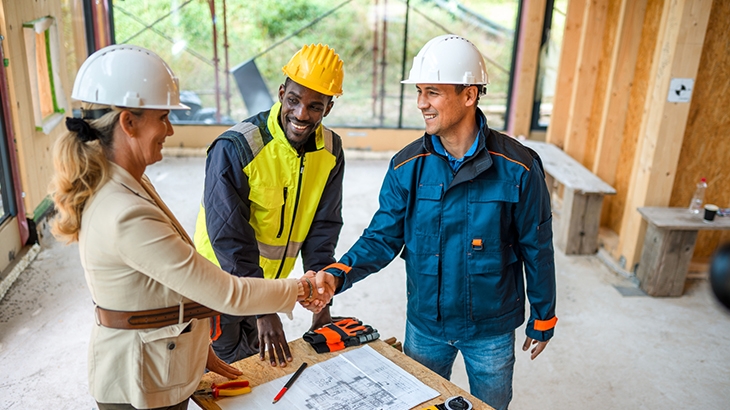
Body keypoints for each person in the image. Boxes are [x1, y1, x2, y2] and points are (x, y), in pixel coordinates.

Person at [49, 44, 331, 410]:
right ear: (128, 123)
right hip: (140, 380)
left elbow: (157, 292)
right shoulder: (124, 211)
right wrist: (304, 289)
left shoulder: (128, 184)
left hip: (160, 364)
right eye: (163, 117)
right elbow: (230, 294)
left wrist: (195, 349)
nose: (169, 129)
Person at [311, 34, 558, 410]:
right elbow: (382, 237)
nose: (421, 103)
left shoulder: (519, 167)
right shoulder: (407, 167)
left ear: (469, 95)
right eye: (420, 92)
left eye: (432, 92)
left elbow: (536, 246)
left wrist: (543, 314)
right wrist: (339, 272)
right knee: (420, 404)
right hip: (426, 324)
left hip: (490, 328)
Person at [193, 43, 345, 367]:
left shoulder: (331, 151)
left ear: (328, 108)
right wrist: (263, 307)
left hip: (268, 287)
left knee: (260, 375)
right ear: (281, 93)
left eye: (315, 106)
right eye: (294, 100)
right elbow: (229, 238)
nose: (301, 114)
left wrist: (321, 294)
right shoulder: (236, 148)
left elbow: (324, 225)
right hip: (218, 287)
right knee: (226, 375)